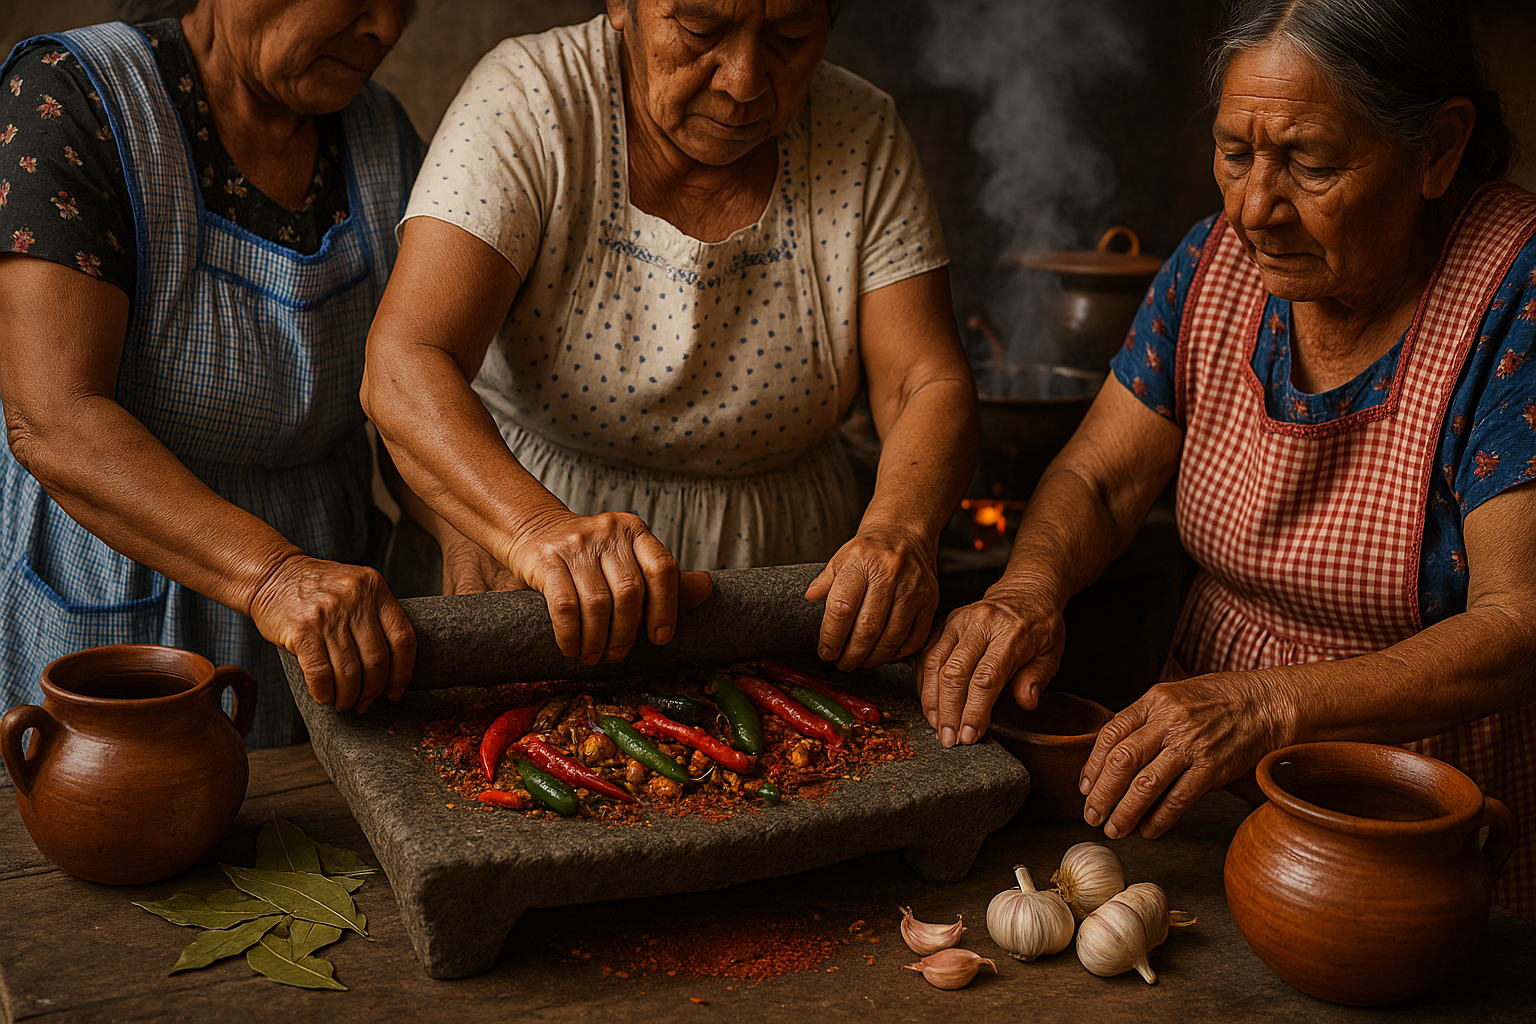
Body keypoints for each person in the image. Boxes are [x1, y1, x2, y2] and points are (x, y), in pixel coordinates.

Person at [920, 0, 1536, 917]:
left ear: (1439, 148)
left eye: (1310, 163)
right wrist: (1028, 587)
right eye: (1236, 154)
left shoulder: (1514, 292)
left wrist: (1265, 707)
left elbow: (1516, 622)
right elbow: (1098, 476)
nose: (1253, 209)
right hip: (1205, 778)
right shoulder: (1211, 261)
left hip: (1417, 806)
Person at [361, 0, 978, 671]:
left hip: (786, 594)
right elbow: (406, 359)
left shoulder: (862, 133)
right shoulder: (529, 100)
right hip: (532, 588)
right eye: (701, 31)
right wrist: (536, 531)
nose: (743, 80)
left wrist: (901, 530)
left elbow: (927, 381)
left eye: (791, 37)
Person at [0, 0, 423, 757]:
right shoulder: (76, 96)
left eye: (408, 1)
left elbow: (413, 387)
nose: (384, 29)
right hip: (123, 583)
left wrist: (461, 536)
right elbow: (53, 417)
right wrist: (273, 577)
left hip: (327, 605)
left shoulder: (383, 136)